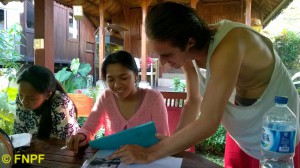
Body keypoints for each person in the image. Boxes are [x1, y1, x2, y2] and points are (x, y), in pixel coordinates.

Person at [107, 2, 300, 167]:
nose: (163, 62)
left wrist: (150, 153)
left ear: (190, 42)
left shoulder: (231, 44)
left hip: (279, 128)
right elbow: (193, 101)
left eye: (166, 54)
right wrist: (174, 144)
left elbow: (208, 123)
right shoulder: (188, 54)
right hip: (242, 130)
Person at [67, 50, 169, 153]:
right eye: (111, 80)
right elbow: (88, 128)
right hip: (113, 158)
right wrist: (81, 136)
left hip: (146, 159)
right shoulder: (106, 97)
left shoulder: (154, 98)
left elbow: (162, 138)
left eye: (123, 78)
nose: (116, 85)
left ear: (135, 75)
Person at [14, 65, 79, 139]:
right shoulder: (22, 98)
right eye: (21, 95)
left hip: (60, 149)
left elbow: (66, 142)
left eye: (31, 98)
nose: (23, 101)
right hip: (33, 149)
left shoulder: (61, 102)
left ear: (48, 95)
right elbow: (18, 135)